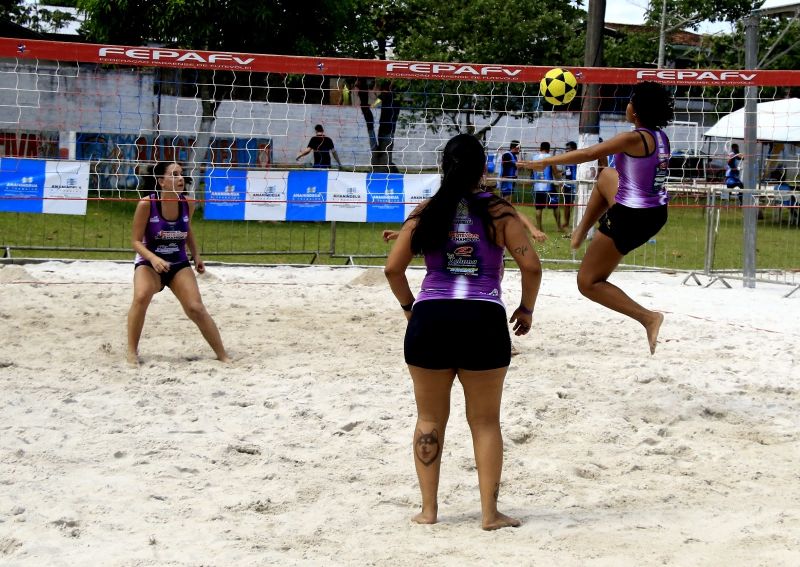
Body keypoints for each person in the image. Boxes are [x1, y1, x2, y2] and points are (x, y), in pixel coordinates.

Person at [384, 134, 542, 530]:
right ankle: (490, 514)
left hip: (431, 318)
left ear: (444, 166)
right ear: (482, 169)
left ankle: (429, 510)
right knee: (485, 422)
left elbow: (392, 269)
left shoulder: (428, 210)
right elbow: (532, 267)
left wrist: (409, 308)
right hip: (482, 318)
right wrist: (525, 308)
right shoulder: (500, 212)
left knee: (429, 418)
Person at [518, 81, 673, 354]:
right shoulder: (660, 137)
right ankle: (580, 230)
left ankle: (648, 318)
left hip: (631, 217)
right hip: (656, 211)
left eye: (630, 101)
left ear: (636, 110)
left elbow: (589, 153)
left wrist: (546, 162)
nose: (626, 105)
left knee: (588, 282)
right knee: (606, 176)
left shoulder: (632, 138)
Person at [127, 161, 230, 365]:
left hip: (177, 261)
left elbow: (187, 229)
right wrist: (154, 259)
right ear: (161, 181)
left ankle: (222, 355)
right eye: (174, 174)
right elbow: (135, 241)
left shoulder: (188, 203)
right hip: (150, 261)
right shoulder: (147, 204)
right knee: (141, 296)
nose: (180, 178)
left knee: (195, 308)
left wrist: (196, 255)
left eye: (181, 174)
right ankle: (131, 352)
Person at [529, 141, 562, 232]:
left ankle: (539, 228)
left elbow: (531, 172)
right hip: (549, 186)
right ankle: (559, 227)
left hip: (537, 187)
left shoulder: (534, 158)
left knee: (539, 208)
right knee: (555, 207)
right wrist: (560, 178)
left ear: (540, 148)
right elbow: (555, 172)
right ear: (548, 149)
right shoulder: (550, 158)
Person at [561, 141, 579, 232]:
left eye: (569, 149)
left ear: (574, 149)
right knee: (567, 205)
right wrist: (563, 173)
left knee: (578, 205)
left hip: (577, 186)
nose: (567, 151)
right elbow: (568, 171)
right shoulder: (566, 159)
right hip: (567, 185)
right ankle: (566, 223)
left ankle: (578, 224)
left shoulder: (579, 158)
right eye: (566, 149)